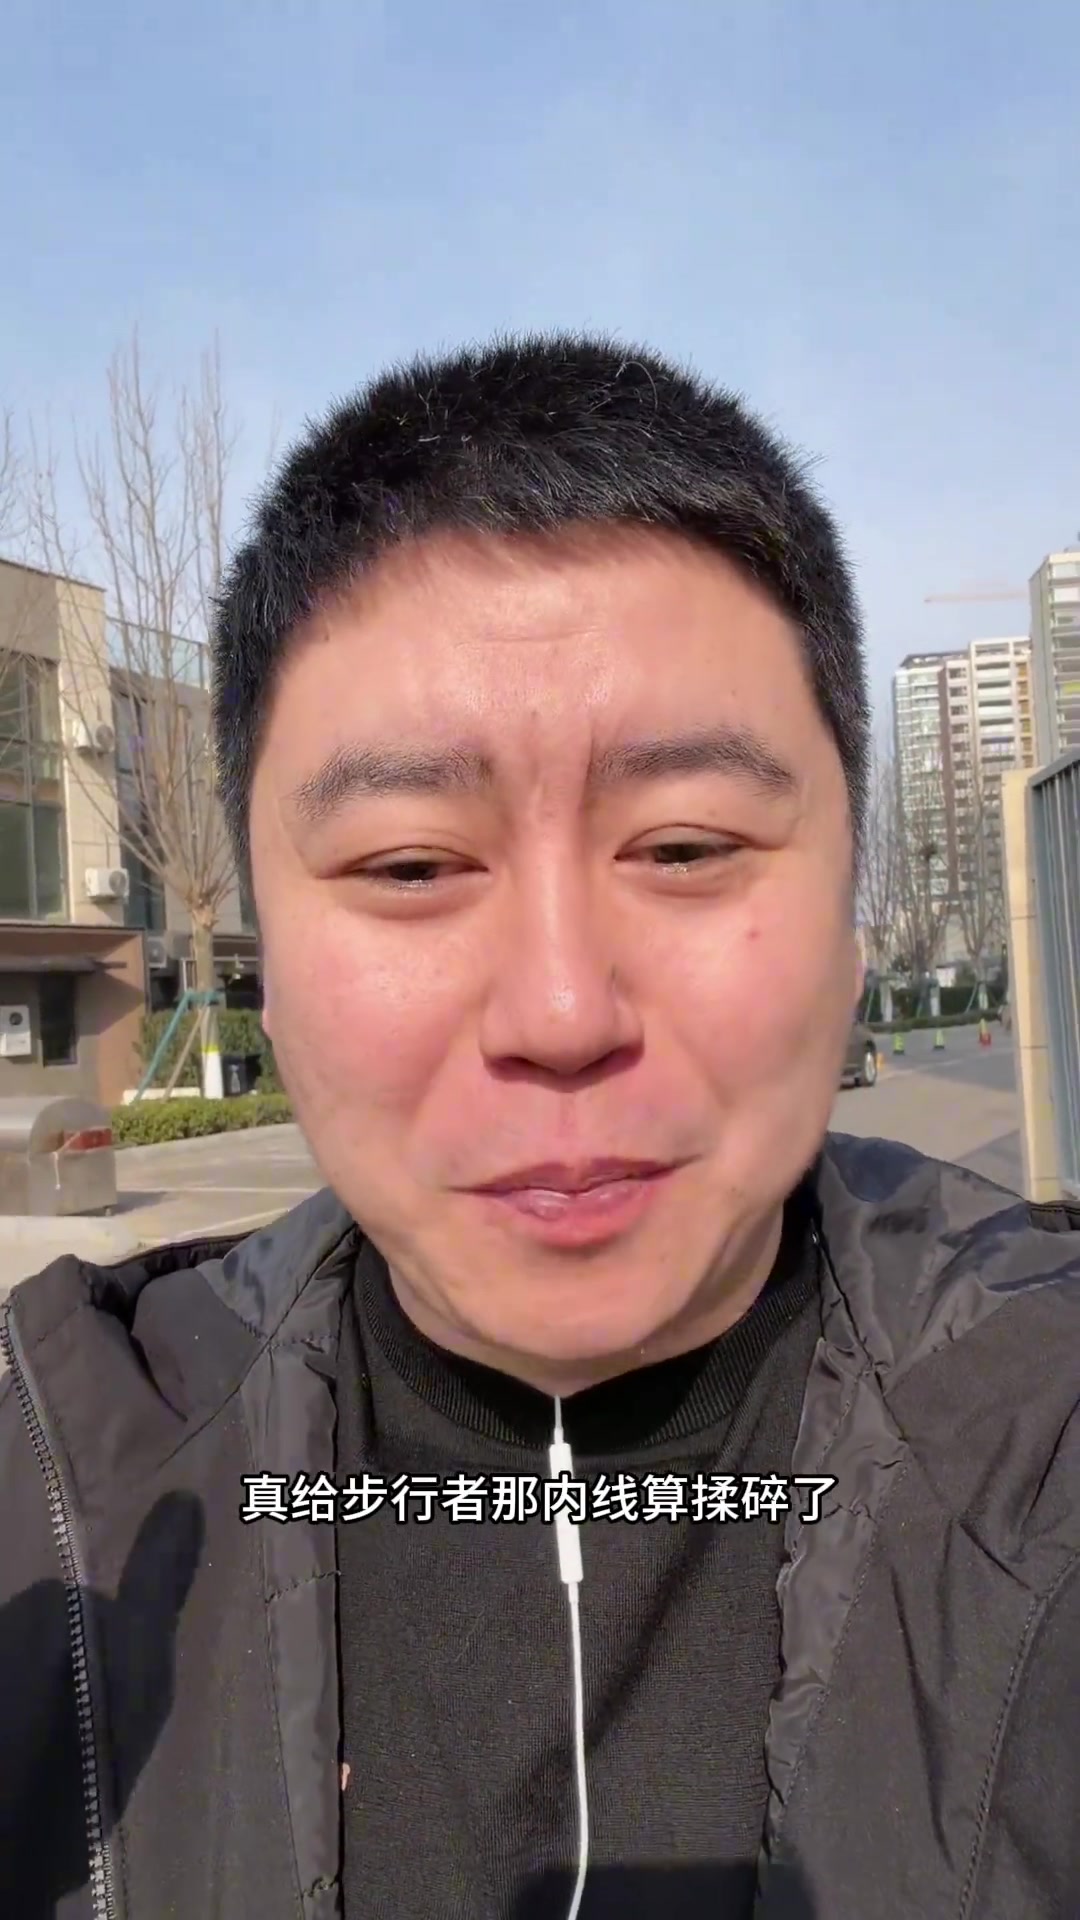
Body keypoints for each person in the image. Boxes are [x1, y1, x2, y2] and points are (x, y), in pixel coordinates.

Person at [1, 334, 1077, 1920]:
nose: (563, 1011)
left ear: (852, 932)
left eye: (687, 846)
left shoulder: (1041, 1430)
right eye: (412, 866)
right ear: (266, 971)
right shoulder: (58, 1490)